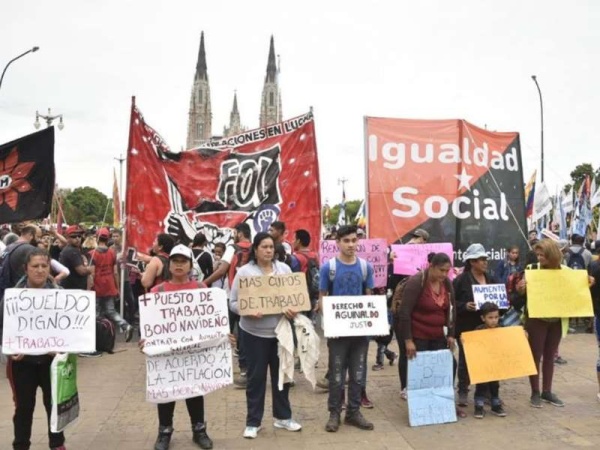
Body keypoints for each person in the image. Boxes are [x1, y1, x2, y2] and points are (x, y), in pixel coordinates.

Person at [229, 232, 302, 439]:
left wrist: (294, 310)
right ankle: (253, 422)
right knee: (256, 379)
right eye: (264, 247)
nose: (268, 250)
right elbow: (233, 303)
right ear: (255, 249)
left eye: (271, 247)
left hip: (280, 334)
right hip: (253, 335)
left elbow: (295, 298)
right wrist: (246, 311)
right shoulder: (244, 272)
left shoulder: (284, 270)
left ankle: (283, 417)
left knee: (282, 377)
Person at [145, 244, 214, 450]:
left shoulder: (201, 289)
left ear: (190, 265)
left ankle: (199, 430)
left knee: (195, 390)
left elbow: (211, 320)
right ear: (169, 264)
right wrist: (146, 340)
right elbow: (150, 324)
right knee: (166, 391)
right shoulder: (157, 291)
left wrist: (220, 336)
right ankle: (164, 431)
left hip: (194, 352)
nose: (179, 265)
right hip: (167, 355)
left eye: (183, 261)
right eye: (175, 261)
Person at [515, 239, 594, 407]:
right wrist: (521, 288)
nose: (539, 258)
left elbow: (579, 286)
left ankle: (547, 391)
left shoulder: (566, 271)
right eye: (537, 255)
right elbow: (521, 292)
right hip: (536, 319)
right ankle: (535, 392)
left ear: (552, 255)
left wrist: (587, 281)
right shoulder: (532, 270)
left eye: (542, 255)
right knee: (535, 356)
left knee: (550, 356)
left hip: (556, 320)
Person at [6, 248, 67, 450]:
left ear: (49, 268)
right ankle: (21, 445)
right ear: (26, 269)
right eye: (35, 266)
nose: (40, 270)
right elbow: (2, 328)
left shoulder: (61, 296)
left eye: (44, 266)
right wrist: (9, 349)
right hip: (23, 363)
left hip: (52, 362)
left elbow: (71, 328)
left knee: (54, 405)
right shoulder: (12, 297)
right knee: (23, 407)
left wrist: (62, 348)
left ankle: (57, 444)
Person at [316, 225, 375, 433]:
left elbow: (369, 298)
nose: (351, 244)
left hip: (360, 333)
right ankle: (334, 413)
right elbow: (322, 298)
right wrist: (330, 323)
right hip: (338, 333)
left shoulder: (366, 267)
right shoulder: (329, 268)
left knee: (358, 374)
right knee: (337, 375)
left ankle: (353, 412)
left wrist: (371, 322)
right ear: (338, 243)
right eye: (346, 241)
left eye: (354, 240)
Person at [397, 252, 462, 416]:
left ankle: (445, 402)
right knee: (420, 371)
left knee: (449, 365)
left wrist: (451, 334)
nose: (444, 274)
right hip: (418, 334)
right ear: (431, 266)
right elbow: (405, 312)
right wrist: (408, 340)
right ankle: (421, 407)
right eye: (441, 270)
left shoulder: (447, 283)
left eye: (447, 271)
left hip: (438, 334)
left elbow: (451, 310)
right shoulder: (416, 282)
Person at [453, 243, 497, 407]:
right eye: (481, 259)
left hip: (487, 329)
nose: (485, 262)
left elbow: (502, 301)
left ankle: (485, 392)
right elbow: (451, 302)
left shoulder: (491, 279)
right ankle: (463, 390)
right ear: (472, 262)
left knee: (486, 360)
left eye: (485, 259)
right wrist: (464, 306)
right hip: (467, 327)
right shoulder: (461, 280)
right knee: (465, 360)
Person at [91, 228, 133, 342]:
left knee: (96, 312)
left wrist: (89, 288)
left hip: (97, 286)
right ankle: (125, 325)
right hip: (109, 286)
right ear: (108, 238)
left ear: (97, 238)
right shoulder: (112, 253)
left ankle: (96, 336)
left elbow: (92, 274)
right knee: (111, 311)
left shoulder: (93, 254)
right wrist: (117, 288)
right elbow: (115, 273)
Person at [467, 302, 507, 419]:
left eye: (496, 317)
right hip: (482, 364)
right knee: (481, 385)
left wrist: (522, 334)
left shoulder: (501, 329)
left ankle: (495, 404)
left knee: (495, 384)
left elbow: (509, 341)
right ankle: (479, 405)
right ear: (483, 318)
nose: (494, 320)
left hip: (495, 363)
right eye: (490, 317)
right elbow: (472, 344)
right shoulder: (478, 330)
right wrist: (466, 341)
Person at [59, 225, 94, 291]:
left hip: (74, 289)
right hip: (72, 290)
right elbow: (82, 271)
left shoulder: (74, 249)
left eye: (79, 236)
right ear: (67, 238)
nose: (77, 238)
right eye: (74, 236)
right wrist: (92, 268)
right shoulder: (72, 251)